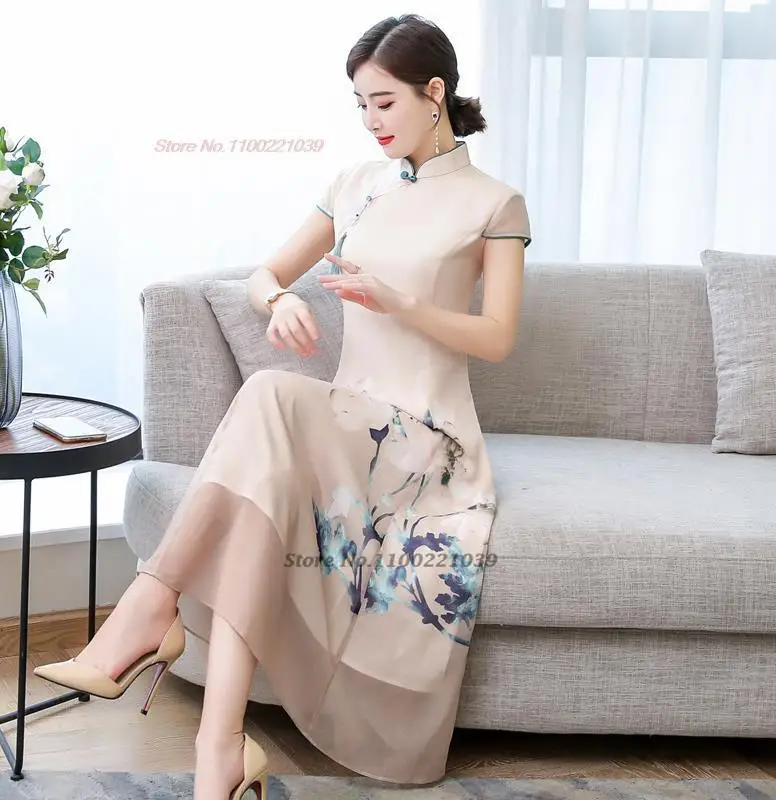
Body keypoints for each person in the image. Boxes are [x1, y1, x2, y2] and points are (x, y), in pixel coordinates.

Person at [33, 12, 531, 799]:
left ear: (434, 93)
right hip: (349, 424)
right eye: (359, 105)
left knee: (267, 393)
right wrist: (279, 302)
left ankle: (147, 612)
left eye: (384, 103)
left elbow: (497, 337)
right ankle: (221, 751)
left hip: (429, 443)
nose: (370, 121)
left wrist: (401, 302)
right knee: (255, 501)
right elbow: (264, 275)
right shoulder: (355, 186)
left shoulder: (494, 204)